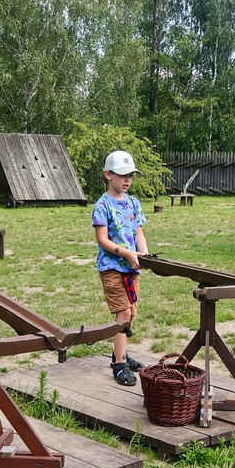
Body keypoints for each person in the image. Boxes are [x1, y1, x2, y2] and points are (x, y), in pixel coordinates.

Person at [93, 150, 150, 386]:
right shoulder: (102, 205)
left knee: (132, 312)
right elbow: (103, 240)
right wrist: (125, 252)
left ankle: (122, 353)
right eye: (122, 175)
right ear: (109, 175)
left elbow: (138, 232)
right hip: (112, 267)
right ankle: (118, 363)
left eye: (131, 176)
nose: (127, 180)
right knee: (123, 313)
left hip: (132, 269)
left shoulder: (134, 203)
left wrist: (144, 253)